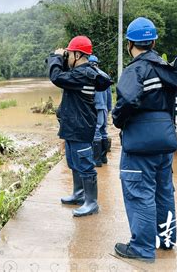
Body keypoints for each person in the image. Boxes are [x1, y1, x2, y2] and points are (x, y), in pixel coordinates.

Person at [112, 17, 177, 262]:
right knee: (164, 192)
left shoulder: (135, 70)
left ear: (130, 44)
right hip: (164, 141)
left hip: (140, 144)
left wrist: (118, 119)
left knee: (139, 192)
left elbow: (127, 101)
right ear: (153, 41)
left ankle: (142, 249)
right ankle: (166, 239)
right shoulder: (165, 68)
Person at [48, 35, 112, 217]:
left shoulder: (83, 73)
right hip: (73, 126)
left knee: (85, 165)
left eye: (68, 55)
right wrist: (60, 58)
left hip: (80, 127)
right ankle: (78, 194)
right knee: (74, 162)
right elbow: (62, 77)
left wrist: (56, 58)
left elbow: (56, 77)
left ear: (76, 55)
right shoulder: (79, 73)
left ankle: (91, 203)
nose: (66, 58)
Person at [88, 55, 112, 166]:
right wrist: (109, 108)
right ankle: (103, 158)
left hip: (94, 107)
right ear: (97, 63)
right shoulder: (104, 75)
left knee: (96, 132)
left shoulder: (89, 74)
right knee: (103, 130)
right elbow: (109, 95)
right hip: (103, 107)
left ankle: (96, 160)